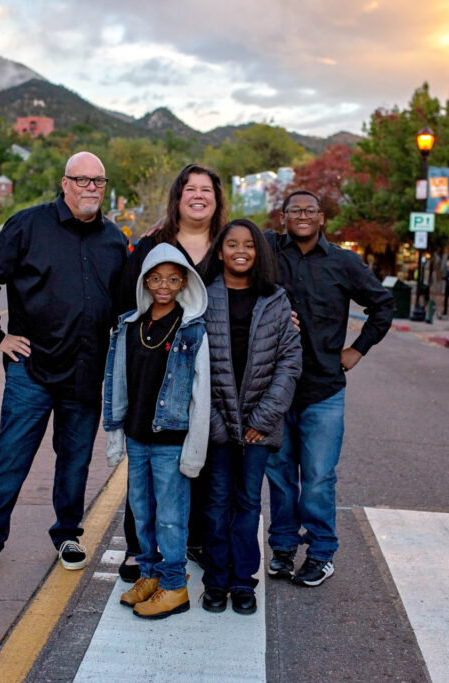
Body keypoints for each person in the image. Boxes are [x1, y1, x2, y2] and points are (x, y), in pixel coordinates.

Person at [0, 152, 127, 577]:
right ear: (64, 183)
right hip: (32, 369)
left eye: (98, 181)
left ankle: (67, 536)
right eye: (82, 180)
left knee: (75, 459)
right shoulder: (28, 225)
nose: (91, 188)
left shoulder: (114, 241)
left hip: (85, 371)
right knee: (10, 454)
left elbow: (124, 307)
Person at [265, 190, 395, 587]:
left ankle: (321, 553)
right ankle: (284, 549)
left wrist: (357, 349)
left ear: (321, 218)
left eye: (309, 210)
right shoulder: (268, 253)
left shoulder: (343, 262)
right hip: (274, 388)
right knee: (282, 476)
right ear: (283, 217)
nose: (302, 216)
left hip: (324, 389)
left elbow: (383, 305)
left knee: (319, 476)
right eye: (294, 211)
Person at [115, 163, 227, 581]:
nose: (198, 196)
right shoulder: (153, 245)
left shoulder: (228, 245)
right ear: (178, 197)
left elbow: (260, 288)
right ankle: (138, 549)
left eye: (207, 190)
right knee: (146, 462)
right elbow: (128, 306)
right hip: (158, 373)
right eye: (190, 189)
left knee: (203, 459)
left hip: (220, 367)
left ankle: (192, 542)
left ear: (217, 199)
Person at [103, 243, 210, 619]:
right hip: (137, 435)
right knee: (141, 510)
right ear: (145, 282)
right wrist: (115, 429)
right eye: (155, 278)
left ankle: (174, 585)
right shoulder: (130, 325)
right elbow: (116, 382)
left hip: (170, 439)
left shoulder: (192, 330)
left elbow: (201, 391)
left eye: (172, 279)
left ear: (184, 283)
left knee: (170, 515)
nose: (163, 285)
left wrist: (195, 447)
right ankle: (148, 573)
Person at [200, 219, 301, 615]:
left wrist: (264, 418)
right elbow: (193, 364)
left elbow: (290, 362)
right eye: (231, 244)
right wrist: (216, 424)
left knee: (247, 505)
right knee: (215, 503)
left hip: (261, 428)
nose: (240, 250)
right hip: (216, 425)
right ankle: (215, 582)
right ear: (220, 251)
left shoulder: (275, 300)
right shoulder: (203, 298)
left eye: (249, 245)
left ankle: (243, 583)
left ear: (259, 252)